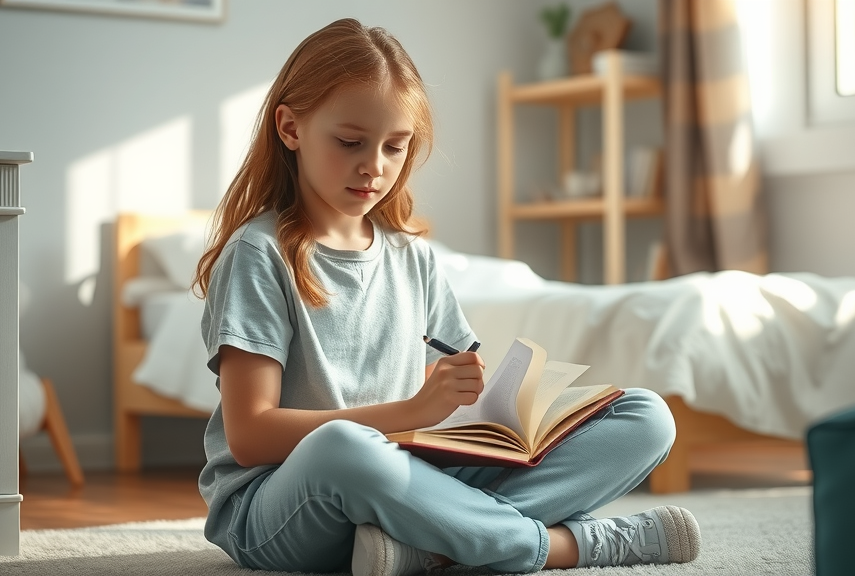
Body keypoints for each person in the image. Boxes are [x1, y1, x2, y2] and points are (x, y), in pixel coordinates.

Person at [192, 17, 701, 576]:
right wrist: (412, 411)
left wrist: (495, 411)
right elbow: (250, 435)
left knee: (646, 415)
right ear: (290, 128)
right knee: (342, 448)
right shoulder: (258, 254)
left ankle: (426, 548)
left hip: (407, 478)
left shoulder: (413, 256)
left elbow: (455, 401)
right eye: (350, 142)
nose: (374, 167)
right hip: (282, 505)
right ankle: (563, 548)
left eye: (395, 147)